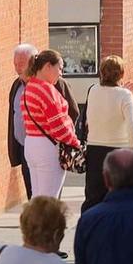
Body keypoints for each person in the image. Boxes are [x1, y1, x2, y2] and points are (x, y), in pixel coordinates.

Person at [19, 49, 82, 200]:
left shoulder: (28, 87)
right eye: (59, 68)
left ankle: (33, 223)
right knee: (49, 199)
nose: (61, 73)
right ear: (48, 66)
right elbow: (59, 126)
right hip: (47, 147)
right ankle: (47, 224)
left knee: (37, 197)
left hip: (31, 143)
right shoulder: (47, 90)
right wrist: (76, 143)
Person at [82, 55, 133, 211]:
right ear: (121, 74)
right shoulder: (125, 95)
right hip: (118, 150)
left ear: (101, 72)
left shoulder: (93, 90)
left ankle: (89, 228)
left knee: (93, 196)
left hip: (94, 150)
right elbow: (132, 127)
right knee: (119, 194)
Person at [6, 42, 36, 198]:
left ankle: (48, 220)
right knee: (30, 189)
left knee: (44, 191)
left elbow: (71, 110)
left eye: (22, 63)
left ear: (33, 62)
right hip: (24, 146)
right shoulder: (16, 85)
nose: (18, 68)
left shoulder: (51, 84)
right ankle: (35, 220)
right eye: (15, 64)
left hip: (43, 148)